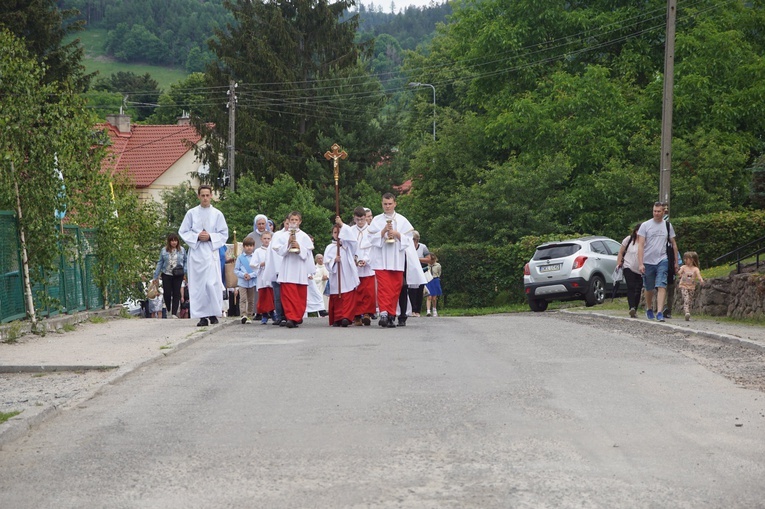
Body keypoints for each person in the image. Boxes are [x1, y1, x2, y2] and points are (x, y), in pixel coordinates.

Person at [363, 193, 427, 328]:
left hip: (397, 259)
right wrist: (383, 232)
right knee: (383, 287)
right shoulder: (377, 220)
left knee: (394, 288)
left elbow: (409, 240)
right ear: (382, 204)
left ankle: (391, 315)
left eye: (390, 203)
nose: (387, 206)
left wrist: (397, 234)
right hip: (381, 259)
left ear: (395, 204)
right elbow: (370, 238)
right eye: (385, 204)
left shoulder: (402, 220)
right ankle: (384, 313)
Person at [179, 185, 229, 327]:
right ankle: (202, 316)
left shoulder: (217, 214)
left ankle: (213, 312)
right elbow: (183, 231)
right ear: (198, 196)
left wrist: (211, 237)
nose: (205, 198)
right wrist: (196, 236)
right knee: (198, 286)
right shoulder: (191, 213)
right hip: (196, 254)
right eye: (203, 195)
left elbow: (224, 233)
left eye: (208, 195)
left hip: (210, 253)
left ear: (211, 196)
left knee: (211, 284)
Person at [637, 201, 679, 322]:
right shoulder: (645, 226)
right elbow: (640, 245)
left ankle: (659, 312)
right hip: (648, 261)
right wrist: (640, 263)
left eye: (659, 211)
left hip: (662, 259)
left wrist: (676, 262)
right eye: (654, 211)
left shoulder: (667, 226)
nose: (656, 213)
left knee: (661, 284)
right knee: (649, 287)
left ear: (663, 212)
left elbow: (674, 244)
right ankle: (649, 308)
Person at [271, 211, 315, 328]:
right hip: (288, 267)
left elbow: (308, 252)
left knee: (299, 295)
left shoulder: (304, 236)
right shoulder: (283, 236)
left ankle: (297, 316)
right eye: (292, 220)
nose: (294, 222)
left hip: (300, 268)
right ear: (288, 221)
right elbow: (278, 250)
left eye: (296, 220)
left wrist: (300, 248)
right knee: (288, 295)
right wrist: (288, 244)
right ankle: (291, 317)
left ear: (300, 222)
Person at [324, 219, 360, 327]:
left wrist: (342, 224)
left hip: (347, 274)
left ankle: (346, 317)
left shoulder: (347, 245)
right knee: (337, 295)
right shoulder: (330, 247)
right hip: (336, 275)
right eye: (335, 232)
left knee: (347, 294)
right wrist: (334, 261)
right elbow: (326, 262)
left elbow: (353, 240)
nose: (337, 235)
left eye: (339, 232)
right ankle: (337, 317)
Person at [349, 207, 375, 326]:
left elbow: (373, 248)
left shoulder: (371, 230)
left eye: (362, 219)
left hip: (367, 266)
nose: (360, 222)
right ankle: (357, 315)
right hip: (354, 266)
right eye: (357, 219)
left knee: (368, 291)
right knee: (356, 291)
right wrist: (352, 260)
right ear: (354, 218)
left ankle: (367, 314)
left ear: (366, 218)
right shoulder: (350, 231)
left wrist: (365, 260)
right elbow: (347, 248)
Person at [152, 233, 186, 319]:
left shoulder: (182, 250)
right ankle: (168, 309)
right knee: (167, 293)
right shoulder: (164, 250)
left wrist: (185, 271)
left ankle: (174, 313)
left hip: (178, 274)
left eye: (175, 240)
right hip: (167, 274)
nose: (174, 242)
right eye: (172, 240)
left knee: (176, 293)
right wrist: (156, 276)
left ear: (178, 241)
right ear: (169, 242)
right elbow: (160, 262)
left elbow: (186, 261)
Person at [616, 224, 644, 318]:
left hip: (640, 269)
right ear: (635, 231)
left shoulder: (645, 242)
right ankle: (631, 307)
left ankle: (635, 309)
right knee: (631, 286)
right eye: (637, 231)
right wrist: (619, 262)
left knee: (638, 289)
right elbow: (620, 252)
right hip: (628, 266)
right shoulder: (628, 239)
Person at [252, 231, 276, 324]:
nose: (267, 240)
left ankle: (272, 312)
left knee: (272, 296)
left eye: (268, 238)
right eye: (265, 238)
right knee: (263, 296)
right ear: (261, 240)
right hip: (262, 277)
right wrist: (260, 264)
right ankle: (264, 314)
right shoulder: (258, 251)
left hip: (271, 277)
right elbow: (253, 264)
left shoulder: (274, 250)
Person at [235, 236, 257, 324]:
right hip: (242, 282)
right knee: (243, 299)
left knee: (251, 299)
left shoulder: (255, 256)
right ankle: (243, 314)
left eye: (251, 246)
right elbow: (236, 270)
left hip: (251, 281)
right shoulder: (240, 258)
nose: (249, 248)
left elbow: (257, 269)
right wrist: (243, 275)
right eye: (247, 246)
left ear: (253, 246)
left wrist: (251, 275)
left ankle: (249, 315)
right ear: (243, 247)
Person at [677, 251, 704, 321]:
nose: (685, 260)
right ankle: (687, 312)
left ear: (692, 260)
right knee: (686, 298)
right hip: (683, 285)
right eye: (684, 259)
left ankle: (688, 313)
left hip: (691, 287)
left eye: (687, 259)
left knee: (690, 300)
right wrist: (679, 274)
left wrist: (701, 280)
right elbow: (679, 272)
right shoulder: (683, 267)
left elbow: (698, 275)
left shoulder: (695, 269)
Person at [408, 231, 430, 317]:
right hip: (410, 271)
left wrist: (417, 259)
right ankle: (412, 309)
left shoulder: (423, 247)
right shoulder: (408, 247)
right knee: (411, 291)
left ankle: (418, 311)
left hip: (420, 271)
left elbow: (428, 259)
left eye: (413, 240)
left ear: (417, 240)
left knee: (419, 291)